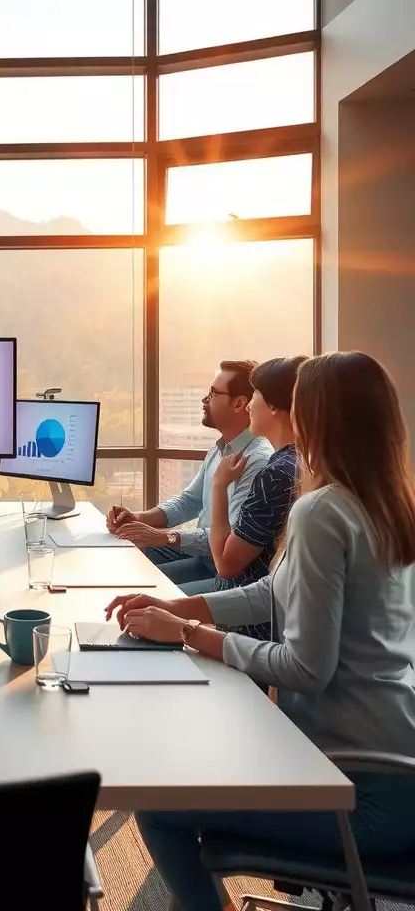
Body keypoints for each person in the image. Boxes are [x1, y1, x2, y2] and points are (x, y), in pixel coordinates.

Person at [105, 351, 415, 911]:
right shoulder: (386, 504)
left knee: (157, 804)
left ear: (319, 417)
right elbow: (276, 593)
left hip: (357, 786)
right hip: (390, 762)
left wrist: (184, 634)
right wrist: (183, 608)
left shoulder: (322, 511)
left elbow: (305, 668)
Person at [107, 361, 272, 589]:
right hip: (202, 559)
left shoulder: (256, 461)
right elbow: (189, 501)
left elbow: (229, 543)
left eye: (213, 393)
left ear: (239, 404)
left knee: (147, 596)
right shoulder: (221, 448)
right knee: (122, 561)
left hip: (228, 578)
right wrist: (138, 519)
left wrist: (164, 537)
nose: (205, 399)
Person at [200, 357, 305, 633]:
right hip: (252, 612)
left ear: (273, 407)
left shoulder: (277, 473)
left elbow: (225, 564)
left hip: (247, 626)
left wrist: (219, 486)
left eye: (255, 395)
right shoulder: (301, 462)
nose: (248, 405)